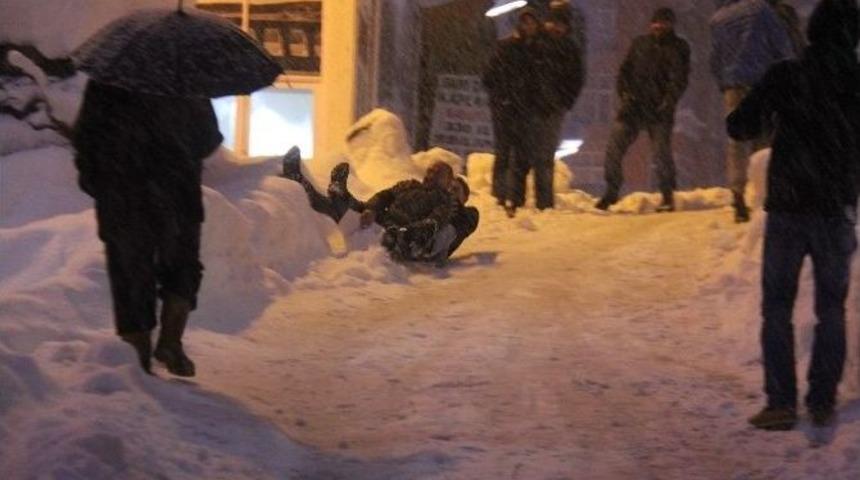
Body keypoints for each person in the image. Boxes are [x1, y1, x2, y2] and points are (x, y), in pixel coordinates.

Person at [727, 0, 860, 430]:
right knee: (832, 310)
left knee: (777, 308)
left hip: (788, 206)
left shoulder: (787, 74)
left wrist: (773, 113)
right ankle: (822, 401)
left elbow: (739, 126)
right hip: (834, 210)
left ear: (812, 31)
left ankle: (781, 403)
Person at [72, 81, 223, 377]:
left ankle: (136, 352)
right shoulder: (183, 80)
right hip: (175, 193)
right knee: (182, 266)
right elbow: (208, 139)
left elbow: (85, 139)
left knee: (129, 271)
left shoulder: (108, 82)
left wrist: (99, 181)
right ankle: (171, 342)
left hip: (122, 194)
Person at [283, 152, 477, 265]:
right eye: (430, 171)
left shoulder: (444, 202)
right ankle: (303, 183)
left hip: (395, 235)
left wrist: (405, 233)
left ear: (447, 181)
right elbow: (384, 196)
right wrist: (372, 209)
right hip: (379, 220)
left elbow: (433, 223)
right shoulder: (410, 184)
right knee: (343, 208)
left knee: (341, 210)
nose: (431, 175)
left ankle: (339, 196)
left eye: (437, 173)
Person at [594, 8, 690, 212]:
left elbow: (679, 79)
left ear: (671, 25)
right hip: (633, 108)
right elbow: (624, 71)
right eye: (656, 22)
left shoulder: (679, 47)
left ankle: (667, 195)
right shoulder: (640, 44)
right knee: (613, 149)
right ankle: (611, 190)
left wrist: (668, 101)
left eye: (663, 23)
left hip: (660, 111)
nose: (659, 26)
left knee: (661, 154)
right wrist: (625, 94)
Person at [710, 0, 795, 222]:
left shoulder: (718, 18)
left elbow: (715, 58)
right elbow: (781, 45)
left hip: (733, 84)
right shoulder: (761, 9)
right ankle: (763, 193)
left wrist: (724, 82)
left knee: (736, 141)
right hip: (761, 79)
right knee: (764, 136)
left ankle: (737, 193)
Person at [483, 7, 543, 209]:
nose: (529, 27)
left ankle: (517, 197)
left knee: (522, 155)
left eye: (532, 23)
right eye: (526, 22)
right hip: (507, 110)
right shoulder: (507, 47)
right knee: (504, 153)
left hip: (525, 111)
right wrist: (502, 99)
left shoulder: (537, 50)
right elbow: (490, 77)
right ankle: (500, 197)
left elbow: (538, 82)